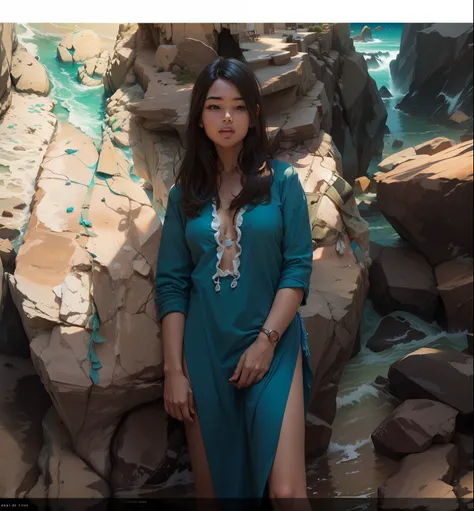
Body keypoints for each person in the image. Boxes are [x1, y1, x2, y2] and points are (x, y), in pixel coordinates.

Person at [155, 57, 313, 508]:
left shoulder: (284, 183)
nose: (227, 117)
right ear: (199, 118)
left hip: (272, 342)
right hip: (205, 352)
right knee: (217, 497)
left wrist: (266, 342)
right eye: (214, 106)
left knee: (286, 493)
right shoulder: (183, 195)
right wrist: (174, 373)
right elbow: (171, 285)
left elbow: (297, 269)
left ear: (254, 115)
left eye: (238, 106)